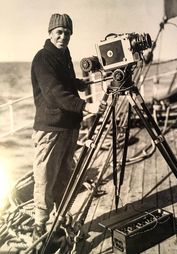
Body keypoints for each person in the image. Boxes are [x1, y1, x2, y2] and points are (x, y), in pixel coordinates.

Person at [31, 13, 105, 241]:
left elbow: (63, 82)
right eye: (59, 32)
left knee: (64, 176)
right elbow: (54, 93)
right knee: (45, 178)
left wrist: (78, 83)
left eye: (67, 33)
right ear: (50, 33)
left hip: (69, 128)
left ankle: (60, 217)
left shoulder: (63, 55)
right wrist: (86, 106)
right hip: (50, 130)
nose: (63, 37)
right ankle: (40, 227)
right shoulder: (43, 58)